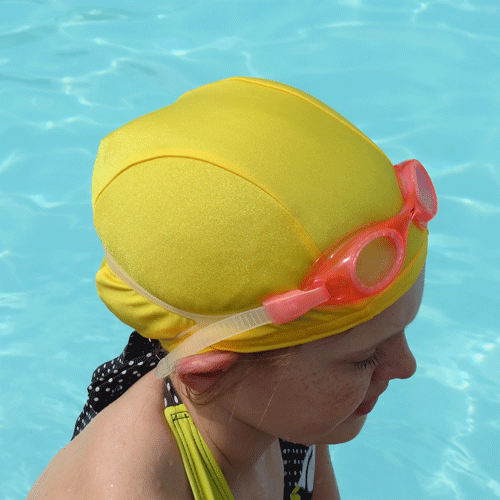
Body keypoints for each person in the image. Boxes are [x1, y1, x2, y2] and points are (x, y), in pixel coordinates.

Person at [27, 77, 437, 500]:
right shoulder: (130, 487)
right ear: (209, 373)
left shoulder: (289, 411)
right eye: (365, 358)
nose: (407, 366)